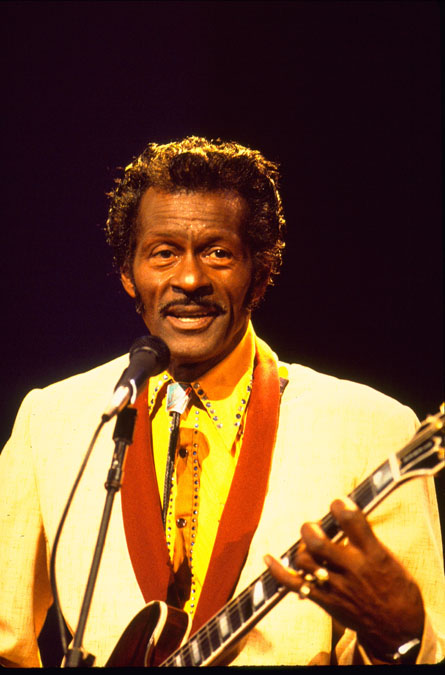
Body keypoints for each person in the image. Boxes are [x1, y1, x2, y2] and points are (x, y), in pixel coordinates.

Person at [0, 136, 444, 667]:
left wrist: (401, 638)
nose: (189, 279)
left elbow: (418, 652)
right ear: (127, 274)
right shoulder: (53, 422)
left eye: (218, 253)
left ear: (260, 273)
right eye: (163, 253)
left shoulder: (369, 428)